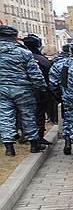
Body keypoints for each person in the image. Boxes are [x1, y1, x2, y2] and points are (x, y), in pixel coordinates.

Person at [0, 25, 47, 156]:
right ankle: (33, 144)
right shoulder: (24, 52)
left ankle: (9, 148)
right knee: (28, 116)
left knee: (5, 117)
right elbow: (34, 73)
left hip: (2, 90)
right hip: (23, 89)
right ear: (14, 37)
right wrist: (42, 88)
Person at [49, 43, 73, 155]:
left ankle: (68, 144)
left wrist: (59, 96)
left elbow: (53, 83)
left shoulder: (60, 64)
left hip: (67, 98)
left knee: (69, 120)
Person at [21, 34, 54, 137]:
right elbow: (50, 78)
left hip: (21, 92)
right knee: (39, 114)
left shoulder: (18, 57)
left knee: (23, 114)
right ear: (38, 45)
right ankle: (38, 137)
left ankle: (25, 135)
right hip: (39, 92)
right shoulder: (42, 60)